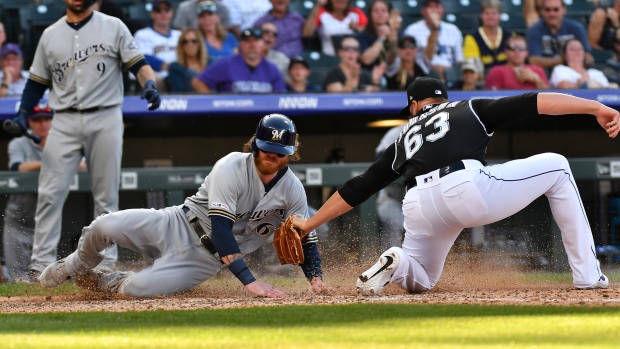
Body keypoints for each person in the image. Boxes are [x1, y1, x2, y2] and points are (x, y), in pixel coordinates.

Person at [291, 76, 616, 296]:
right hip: (466, 187)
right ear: (442, 99)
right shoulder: (469, 107)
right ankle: (587, 276)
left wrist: (309, 223)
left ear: (415, 105)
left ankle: (397, 260)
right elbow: (535, 101)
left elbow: (360, 186)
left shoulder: (404, 137)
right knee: (558, 166)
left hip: (417, 203)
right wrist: (596, 107)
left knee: (422, 279)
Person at [39, 114, 331, 298]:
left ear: (291, 154)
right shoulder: (231, 165)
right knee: (103, 225)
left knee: (139, 289)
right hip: (177, 223)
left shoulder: (293, 190)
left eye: (279, 152)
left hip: (205, 260)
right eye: (266, 148)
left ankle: (108, 282)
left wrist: (315, 279)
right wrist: (249, 281)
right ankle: (76, 264)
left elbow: (305, 237)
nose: (272, 156)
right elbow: (221, 229)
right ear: (255, 144)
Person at [2, 0, 161, 282]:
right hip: (63, 119)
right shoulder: (50, 33)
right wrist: (25, 113)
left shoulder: (113, 26)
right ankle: (41, 265)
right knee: (50, 194)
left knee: (106, 195)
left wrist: (149, 83)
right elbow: (37, 82)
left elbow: (140, 64)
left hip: (106, 115)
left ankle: (104, 264)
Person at [3, 104, 54, 282]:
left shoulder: (62, 143)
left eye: (47, 119)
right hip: (18, 221)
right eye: (37, 119)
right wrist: (51, 161)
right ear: (30, 122)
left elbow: (83, 165)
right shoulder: (19, 143)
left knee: (46, 279)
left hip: (48, 224)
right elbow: (18, 167)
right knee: (19, 280)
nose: (43, 124)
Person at [192, 27, 286, 93]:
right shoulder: (226, 64)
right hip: (231, 117)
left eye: (256, 41)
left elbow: (280, 98)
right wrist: (213, 103)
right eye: (248, 41)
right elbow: (198, 82)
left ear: (263, 44)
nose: (252, 45)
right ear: (241, 44)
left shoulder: (271, 69)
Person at [403, 0, 463, 82]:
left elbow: (459, 60)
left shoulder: (453, 30)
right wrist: (435, 28)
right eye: (430, 7)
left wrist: (447, 71)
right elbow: (420, 60)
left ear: (443, 9)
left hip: (450, 76)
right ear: (423, 10)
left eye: (437, 6)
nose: (434, 10)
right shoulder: (412, 30)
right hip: (422, 76)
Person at [526, 0, 594, 72]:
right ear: (541, 11)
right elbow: (533, 61)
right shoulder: (534, 31)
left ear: (564, 10)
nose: (552, 14)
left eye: (556, 9)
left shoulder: (576, 28)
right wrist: (566, 59)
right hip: (545, 77)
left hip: (575, 74)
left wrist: (583, 58)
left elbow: (589, 58)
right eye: (547, 10)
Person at [133, 0, 182, 91]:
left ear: (172, 13)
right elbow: (143, 58)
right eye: (158, 10)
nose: (163, 14)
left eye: (166, 10)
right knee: (153, 80)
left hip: (179, 76)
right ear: (152, 14)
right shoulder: (142, 34)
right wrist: (170, 67)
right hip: (158, 77)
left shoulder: (179, 35)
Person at [374, 125, 406, 251]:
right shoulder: (397, 132)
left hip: (422, 200)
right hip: (392, 197)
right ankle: (392, 263)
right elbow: (380, 158)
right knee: (397, 225)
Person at [303, 0, 368, 56]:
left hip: (352, 58)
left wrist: (357, 28)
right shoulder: (322, 13)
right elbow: (307, 34)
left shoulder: (356, 13)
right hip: (329, 58)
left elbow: (368, 33)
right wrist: (318, 5)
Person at [485, 35, 549, 90]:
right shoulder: (496, 71)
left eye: (521, 48)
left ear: (527, 52)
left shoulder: (537, 70)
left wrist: (536, 79)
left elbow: (549, 98)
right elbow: (493, 98)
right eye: (512, 48)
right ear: (505, 51)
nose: (517, 51)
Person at [463, 0, 512, 70]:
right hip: (482, 78)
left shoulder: (510, 36)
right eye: (486, 13)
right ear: (481, 15)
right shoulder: (472, 38)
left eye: (494, 13)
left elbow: (516, 62)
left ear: (500, 15)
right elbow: (472, 67)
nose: (490, 17)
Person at [357, 0, 401, 69]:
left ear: (389, 14)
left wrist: (392, 32)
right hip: (369, 73)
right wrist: (382, 37)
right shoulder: (362, 36)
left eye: (384, 10)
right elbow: (366, 60)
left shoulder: (398, 34)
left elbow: (397, 57)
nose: (380, 13)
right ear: (370, 14)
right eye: (376, 11)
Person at [168, 28, 209, 93]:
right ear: (181, 46)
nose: (190, 45)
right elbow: (178, 93)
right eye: (185, 42)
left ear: (199, 44)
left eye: (194, 41)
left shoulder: (210, 63)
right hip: (190, 101)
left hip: (212, 101)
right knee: (191, 74)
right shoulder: (175, 68)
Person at [587, 0, 620, 64]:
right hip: (604, 61)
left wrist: (617, 25)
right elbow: (591, 44)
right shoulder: (602, 14)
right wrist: (608, 54)